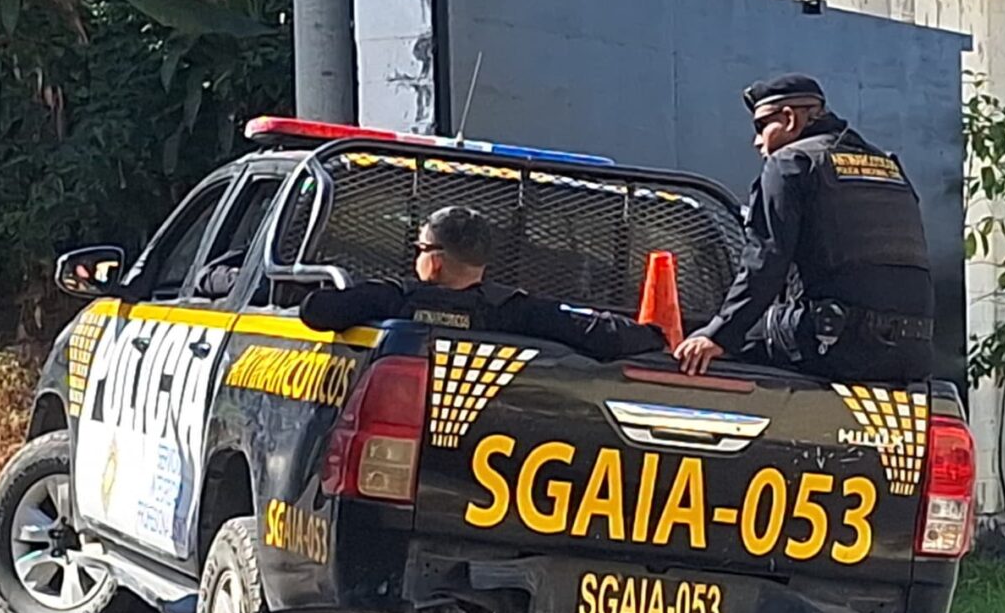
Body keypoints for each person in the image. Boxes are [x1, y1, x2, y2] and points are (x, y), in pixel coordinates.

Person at [673, 74, 936, 384]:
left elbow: (766, 261)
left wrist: (717, 334)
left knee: (725, 337)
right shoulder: (888, 165)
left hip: (841, 348)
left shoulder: (790, 163)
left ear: (788, 119)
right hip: (914, 352)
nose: (757, 141)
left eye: (761, 126)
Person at [299, 204, 666, 358]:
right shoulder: (515, 312)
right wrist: (657, 337)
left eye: (420, 248)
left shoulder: (392, 300)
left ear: (435, 262)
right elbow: (596, 332)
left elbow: (316, 310)